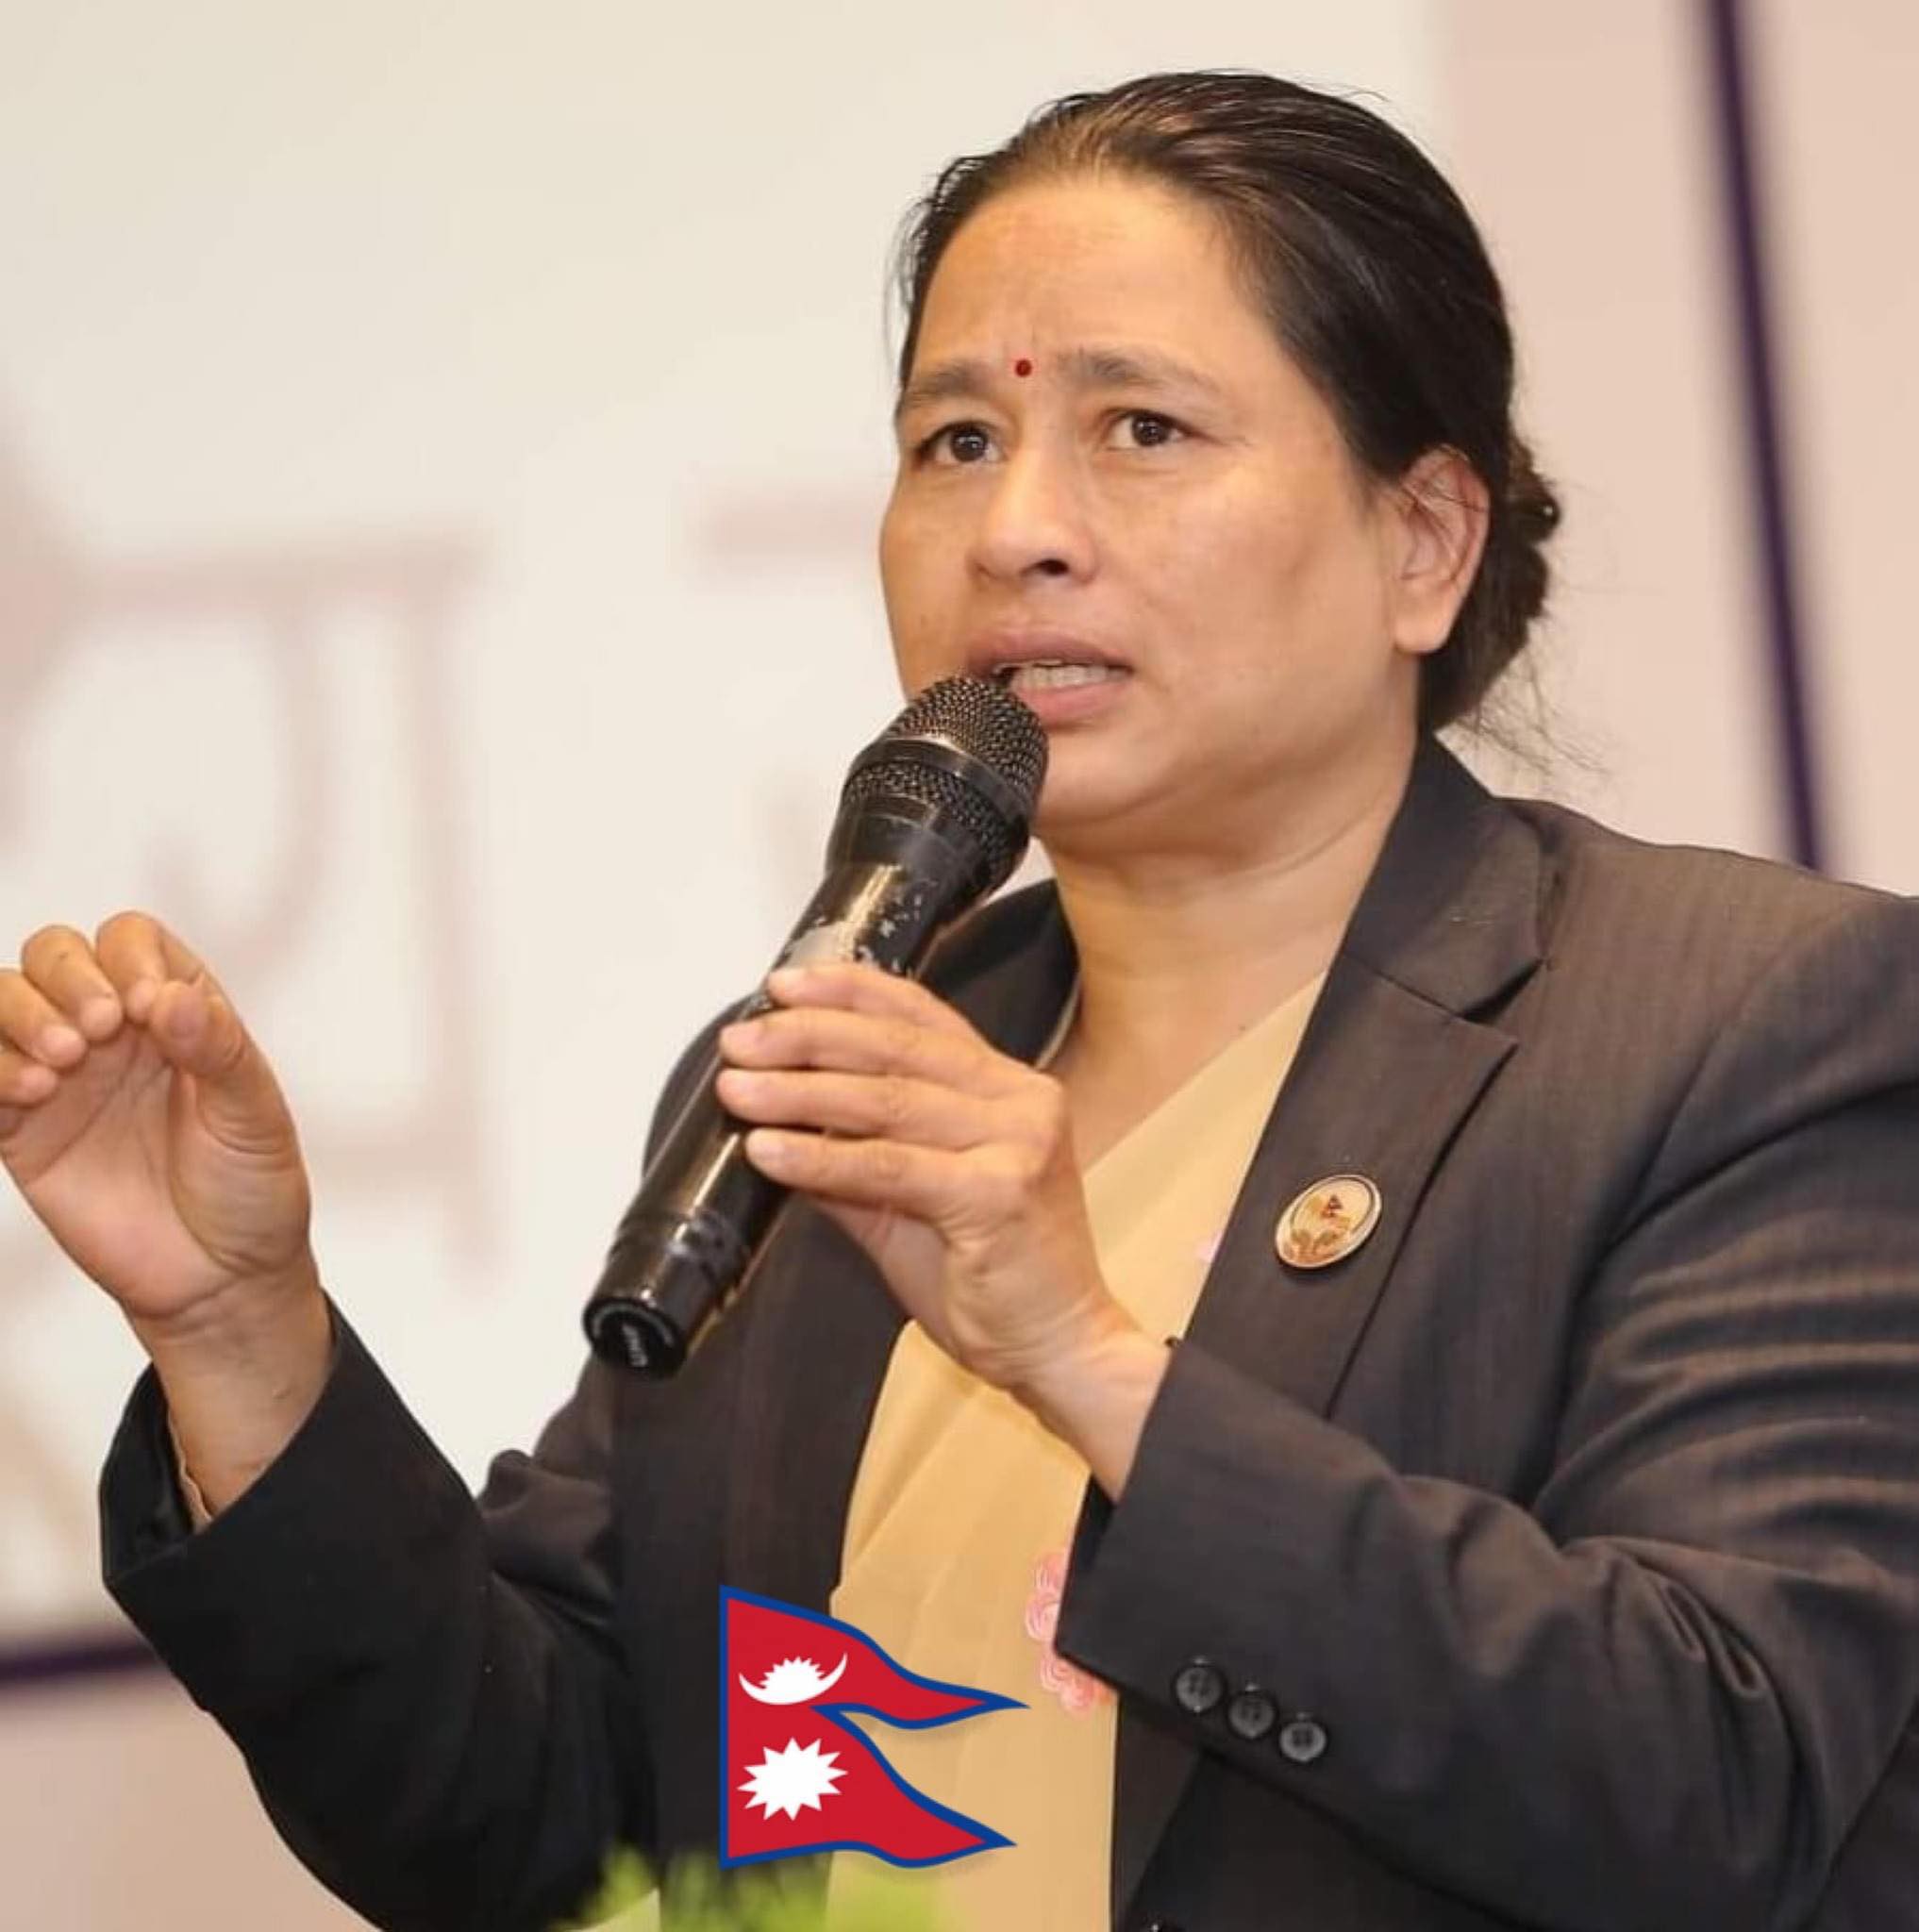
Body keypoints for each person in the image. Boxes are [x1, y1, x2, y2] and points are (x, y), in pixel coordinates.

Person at [3, 68, 1918, 1932]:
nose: (1017, 531)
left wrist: (1083, 1356)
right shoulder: (834, 1081)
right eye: (956, 444)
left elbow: (1721, 1785)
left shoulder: (1739, 1027)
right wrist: (240, 1329)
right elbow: (546, 1825)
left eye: (1142, 429)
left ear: (1422, 541)